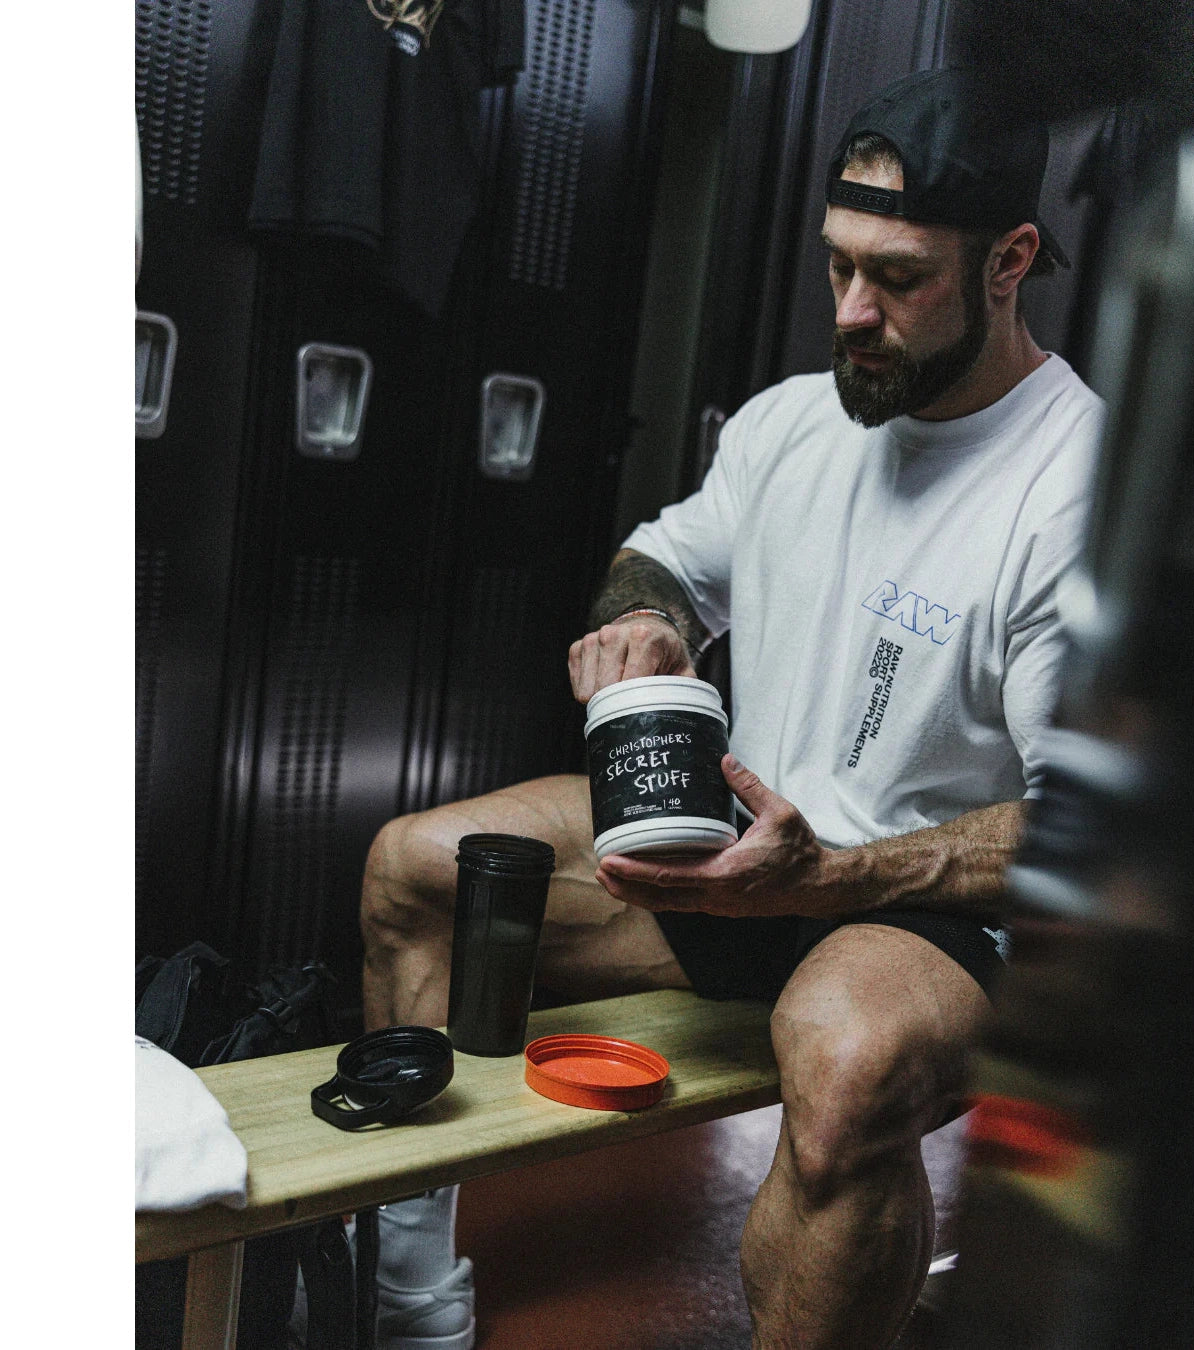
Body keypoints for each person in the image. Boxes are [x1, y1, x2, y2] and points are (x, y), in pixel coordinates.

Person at [360, 65, 1105, 1350]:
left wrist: (837, 876)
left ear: (1009, 261)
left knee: (848, 1062)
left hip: (925, 914)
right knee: (420, 867)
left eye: (898, 277)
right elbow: (663, 556)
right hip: (743, 865)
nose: (853, 312)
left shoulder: (1069, 486)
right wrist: (642, 619)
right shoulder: (791, 424)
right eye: (838, 267)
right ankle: (414, 1303)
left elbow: (1082, 833)